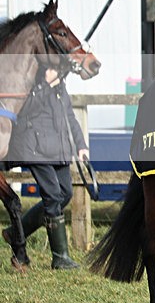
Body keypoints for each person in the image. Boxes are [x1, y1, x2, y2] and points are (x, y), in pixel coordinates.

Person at [1, 67, 89, 270]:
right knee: (53, 196)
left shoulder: (61, 87)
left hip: (58, 149)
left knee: (65, 194)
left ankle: (15, 233)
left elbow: (70, 118)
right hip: (35, 147)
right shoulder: (33, 82)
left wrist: (81, 144)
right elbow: (24, 110)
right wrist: (45, 86)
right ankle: (60, 257)